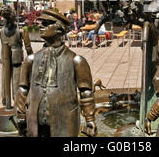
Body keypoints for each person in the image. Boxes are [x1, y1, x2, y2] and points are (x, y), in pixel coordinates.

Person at [15, 9, 97, 137]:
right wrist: (20, 114)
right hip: (36, 124)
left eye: (47, 23)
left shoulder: (76, 61)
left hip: (64, 123)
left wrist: (90, 120)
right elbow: (23, 88)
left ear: (59, 29)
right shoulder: (31, 60)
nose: (40, 25)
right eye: (41, 22)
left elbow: (86, 93)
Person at [0, 6, 33, 109]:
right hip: (11, 60)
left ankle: (11, 102)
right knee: (13, 84)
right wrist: (31, 59)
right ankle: (14, 103)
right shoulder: (18, 31)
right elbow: (28, 47)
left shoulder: (5, 31)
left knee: (11, 83)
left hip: (11, 60)